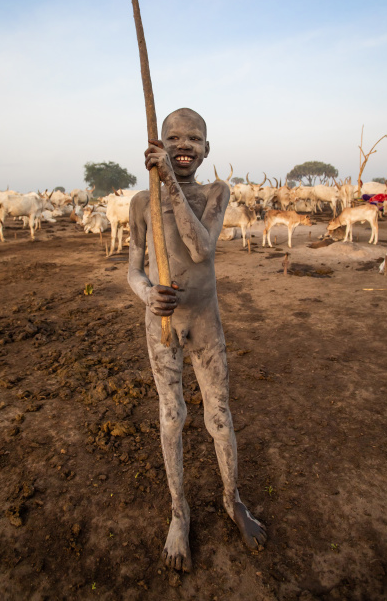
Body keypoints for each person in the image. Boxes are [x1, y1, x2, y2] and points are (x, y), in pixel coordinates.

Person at [128, 107, 266, 572]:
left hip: (205, 323)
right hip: (162, 325)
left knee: (219, 414)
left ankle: (232, 498)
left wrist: (169, 182)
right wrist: (148, 294)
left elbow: (200, 249)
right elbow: (132, 269)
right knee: (171, 417)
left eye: (194, 139)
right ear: (158, 145)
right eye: (173, 138)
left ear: (208, 150)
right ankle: (178, 512)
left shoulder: (215, 193)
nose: (184, 145)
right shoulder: (140, 202)